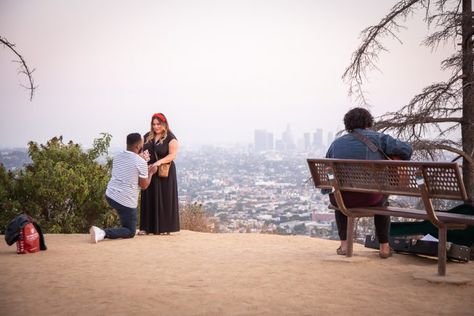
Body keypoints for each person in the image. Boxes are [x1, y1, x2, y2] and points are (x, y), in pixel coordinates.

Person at [325, 107, 412, 258]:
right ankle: (384, 247)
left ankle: (344, 245)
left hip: (342, 199)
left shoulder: (336, 144)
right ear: (368, 122)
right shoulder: (379, 138)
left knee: (339, 196)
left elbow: (327, 168)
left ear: (348, 124)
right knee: (382, 198)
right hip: (370, 198)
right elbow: (407, 150)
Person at [90, 133, 157, 243]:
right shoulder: (141, 162)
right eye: (142, 143)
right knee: (130, 231)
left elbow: (128, 168)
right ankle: (102, 233)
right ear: (137, 146)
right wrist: (150, 173)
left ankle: (110, 231)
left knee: (126, 221)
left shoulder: (117, 157)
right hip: (125, 200)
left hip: (110, 195)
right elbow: (144, 185)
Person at [139, 113, 180, 235]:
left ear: (164, 124)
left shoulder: (171, 138)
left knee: (164, 199)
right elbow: (140, 151)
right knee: (148, 197)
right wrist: (142, 156)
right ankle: (146, 228)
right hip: (149, 171)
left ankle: (164, 228)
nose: (156, 126)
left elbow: (172, 155)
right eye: (154, 124)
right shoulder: (146, 136)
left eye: (158, 124)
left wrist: (158, 163)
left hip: (164, 173)